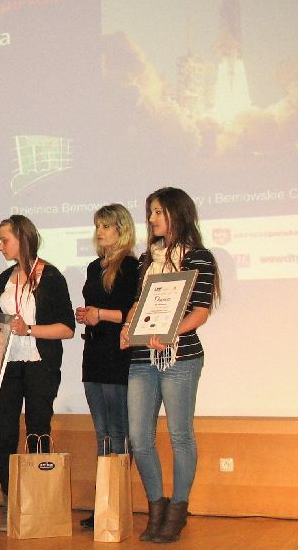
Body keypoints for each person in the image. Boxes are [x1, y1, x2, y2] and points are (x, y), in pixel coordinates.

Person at [120, 187, 220, 544]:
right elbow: (138, 304)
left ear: (177, 213)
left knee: (180, 435)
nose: (151, 219)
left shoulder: (199, 258)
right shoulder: (147, 259)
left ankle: (177, 511)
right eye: (150, 212)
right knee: (139, 438)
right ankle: (156, 509)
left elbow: (200, 312)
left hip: (181, 357)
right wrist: (128, 326)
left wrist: (171, 332)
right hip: (142, 358)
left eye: (158, 212)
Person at [0, 215, 75, 532]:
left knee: (38, 431)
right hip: (4, 367)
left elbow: (67, 328)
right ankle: (11, 503)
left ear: (22, 238)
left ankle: (38, 502)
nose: (0, 245)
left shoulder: (52, 276)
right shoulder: (3, 279)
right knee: (4, 435)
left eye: (5, 239)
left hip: (39, 365)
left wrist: (29, 329)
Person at [75, 204, 138, 529]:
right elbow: (96, 307)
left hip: (118, 354)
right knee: (102, 432)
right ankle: (104, 504)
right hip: (94, 354)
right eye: (98, 226)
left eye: (106, 226)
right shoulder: (93, 267)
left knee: (119, 431)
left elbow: (133, 312)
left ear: (121, 230)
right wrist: (87, 315)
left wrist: (100, 314)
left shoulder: (131, 266)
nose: (100, 232)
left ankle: (117, 502)